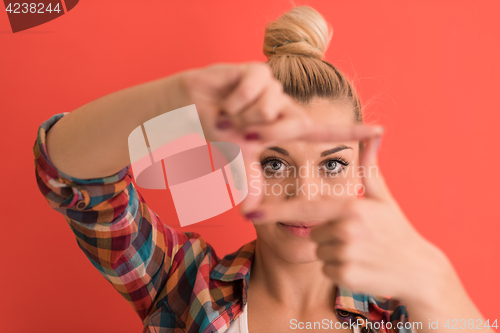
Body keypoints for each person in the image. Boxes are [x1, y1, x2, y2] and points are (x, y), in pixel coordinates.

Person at [33, 6, 492, 333]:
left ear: (359, 175)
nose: (304, 192)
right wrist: (176, 94)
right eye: (274, 163)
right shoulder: (183, 287)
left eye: (332, 164)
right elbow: (71, 178)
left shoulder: (406, 314)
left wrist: (434, 278)